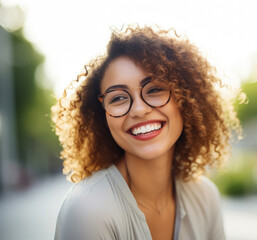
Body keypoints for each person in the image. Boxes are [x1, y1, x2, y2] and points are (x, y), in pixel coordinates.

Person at [53, 25, 240, 240]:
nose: (140, 110)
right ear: (102, 116)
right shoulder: (87, 210)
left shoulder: (205, 197)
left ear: (186, 99)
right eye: (118, 98)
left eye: (154, 89)